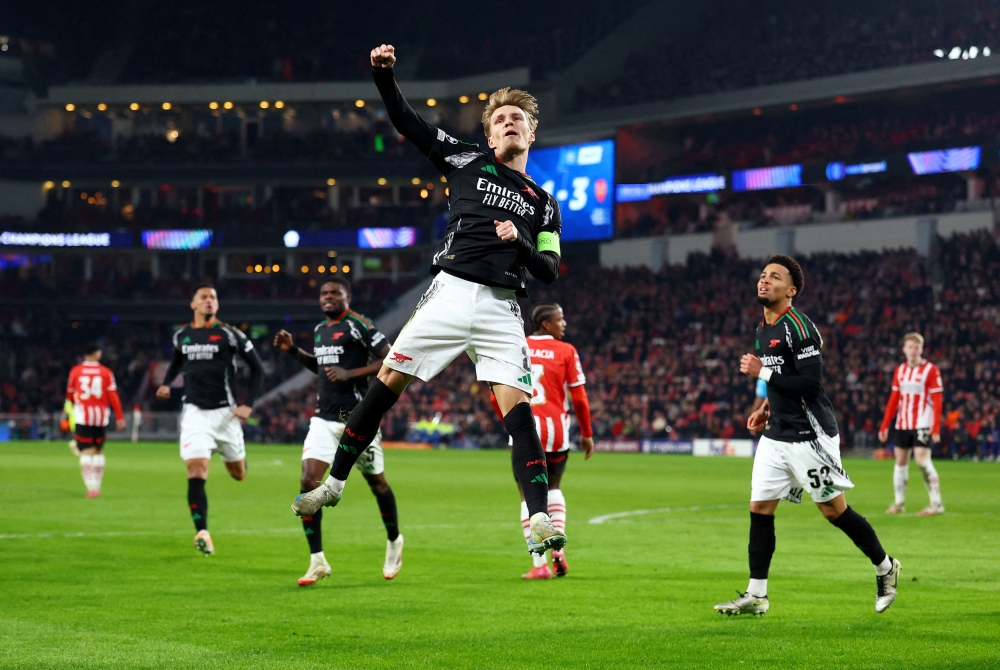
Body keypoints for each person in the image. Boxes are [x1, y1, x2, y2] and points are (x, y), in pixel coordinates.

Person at [292, 43, 566, 556]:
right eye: (501, 118)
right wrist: (384, 78)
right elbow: (406, 121)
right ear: (488, 134)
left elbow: (549, 271)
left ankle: (538, 520)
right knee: (387, 381)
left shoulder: (544, 204)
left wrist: (520, 241)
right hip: (449, 293)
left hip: (502, 306)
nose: (509, 123)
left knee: (519, 409)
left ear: (531, 133)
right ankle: (335, 482)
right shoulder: (465, 159)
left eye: (517, 118)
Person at [714, 255, 900, 616]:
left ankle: (885, 566)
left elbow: (811, 385)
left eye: (775, 277)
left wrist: (761, 375)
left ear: (791, 291)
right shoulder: (763, 328)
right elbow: (783, 381)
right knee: (760, 508)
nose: (764, 281)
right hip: (776, 433)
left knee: (833, 511)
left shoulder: (799, 328)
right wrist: (765, 408)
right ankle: (757, 595)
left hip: (809, 435)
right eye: (763, 275)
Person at [274, 278, 403, 585]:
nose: (328, 297)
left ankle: (395, 540)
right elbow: (321, 368)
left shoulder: (359, 325)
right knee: (308, 482)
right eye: (323, 293)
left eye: (335, 293)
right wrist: (293, 351)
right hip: (323, 417)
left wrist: (351, 373)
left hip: (357, 419)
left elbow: (391, 359)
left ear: (348, 297)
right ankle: (317, 560)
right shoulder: (320, 331)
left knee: (378, 485)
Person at [156, 284, 264, 556]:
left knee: (238, 474)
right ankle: (202, 532)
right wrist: (167, 383)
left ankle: (237, 458)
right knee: (196, 469)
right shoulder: (182, 336)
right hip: (194, 413)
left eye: (213, 297)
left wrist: (248, 405)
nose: (209, 301)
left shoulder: (230, 334)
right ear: (193, 304)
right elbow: (176, 363)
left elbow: (258, 369)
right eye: (203, 297)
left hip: (225, 415)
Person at [493, 304, 594, 579]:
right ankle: (558, 551)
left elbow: (495, 395)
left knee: (528, 495)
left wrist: (509, 423)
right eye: (560, 319)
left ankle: (540, 566)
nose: (564, 324)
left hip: (526, 430)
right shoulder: (566, 351)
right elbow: (580, 398)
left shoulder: (517, 346)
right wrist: (587, 433)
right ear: (546, 324)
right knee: (554, 488)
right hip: (557, 431)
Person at [879, 333, 944, 515]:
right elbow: (894, 399)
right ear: (904, 349)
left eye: (917, 348)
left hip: (923, 422)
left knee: (922, 461)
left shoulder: (931, 370)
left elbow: (938, 399)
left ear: (921, 350)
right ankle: (899, 503)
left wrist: (936, 426)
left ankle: (936, 503)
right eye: (910, 347)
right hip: (903, 422)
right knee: (900, 461)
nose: (913, 351)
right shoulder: (900, 370)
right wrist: (885, 425)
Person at [65, 343, 125, 497]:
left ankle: (90, 487)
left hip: (83, 416)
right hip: (100, 417)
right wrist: (119, 416)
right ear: (97, 354)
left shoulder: (76, 371)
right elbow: (113, 396)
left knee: (85, 451)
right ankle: (96, 487)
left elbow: (70, 395)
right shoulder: (106, 372)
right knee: (98, 451)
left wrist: (71, 409)